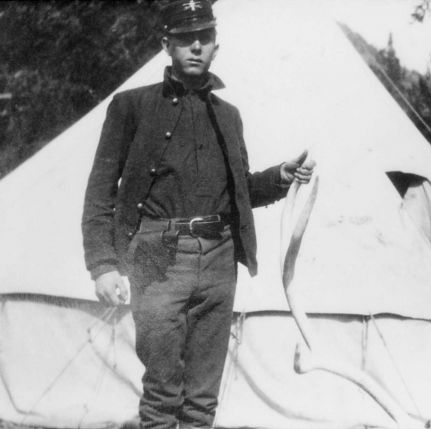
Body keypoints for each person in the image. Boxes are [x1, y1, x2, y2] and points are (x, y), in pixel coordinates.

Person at [81, 1, 314, 428]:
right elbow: (100, 192)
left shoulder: (229, 116)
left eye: (204, 38)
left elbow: (239, 192)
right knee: (162, 391)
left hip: (220, 259)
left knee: (203, 399)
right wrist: (102, 264)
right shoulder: (130, 107)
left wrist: (280, 177)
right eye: (185, 39)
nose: (195, 47)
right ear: (166, 44)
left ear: (215, 46)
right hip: (155, 255)